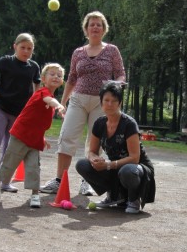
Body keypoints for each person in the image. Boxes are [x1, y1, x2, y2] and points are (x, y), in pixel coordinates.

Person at [40, 11, 126, 196]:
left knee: (94, 144)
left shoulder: (112, 50)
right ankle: (58, 180)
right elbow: (71, 78)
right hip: (78, 99)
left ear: (104, 29)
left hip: (101, 103)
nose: (95, 27)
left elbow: (120, 74)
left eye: (99, 24)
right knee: (67, 137)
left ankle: (87, 181)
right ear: (86, 29)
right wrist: (62, 103)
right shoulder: (78, 52)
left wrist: (116, 84)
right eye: (91, 24)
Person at [0, 63, 66, 207]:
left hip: (34, 139)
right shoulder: (42, 92)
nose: (56, 77)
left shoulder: (50, 97)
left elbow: (38, 122)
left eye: (59, 75)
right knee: (10, 163)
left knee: (34, 168)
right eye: (52, 74)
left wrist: (42, 138)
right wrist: (59, 106)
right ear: (43, 78)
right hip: (20, 135)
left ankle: (35, 195)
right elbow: (49, 100)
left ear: (62, 81)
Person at [75, 81, 155, 214]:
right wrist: (95, 159)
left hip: (137, 168)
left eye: (114, 101)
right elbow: (91, 151)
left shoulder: (129, 124)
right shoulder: (99, 123)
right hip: (115, 167)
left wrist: (107, 165)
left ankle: (133, 198)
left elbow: (135, 158)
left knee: (128, 170)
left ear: (120, 103)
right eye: (106, 100)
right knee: (82, 164)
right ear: (101, 102)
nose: (110, 104)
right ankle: (114, 195)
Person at [0, 33, 41, 192]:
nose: (26, 51)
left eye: (30, 49)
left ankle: (3, 180)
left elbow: (37, 87)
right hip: (0, 107)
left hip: (19, 113)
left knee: (11, 148)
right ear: (15, 46)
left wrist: (35, 105)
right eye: (23, 48)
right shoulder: (7, 61)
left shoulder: (33, 67)